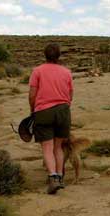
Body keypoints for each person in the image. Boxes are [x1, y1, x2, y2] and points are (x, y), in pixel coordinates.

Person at [28, 43, 73, 194]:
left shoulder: (37, 71)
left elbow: (32, 94)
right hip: (63, 110)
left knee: (47, 147)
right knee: (58, 147)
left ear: (45, 55)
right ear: (59, 55)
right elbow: (70, 94)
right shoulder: (66, 72)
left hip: (43, 111)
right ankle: (60, 177)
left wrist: (33, 110)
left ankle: (53, 178)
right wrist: (65, 107)